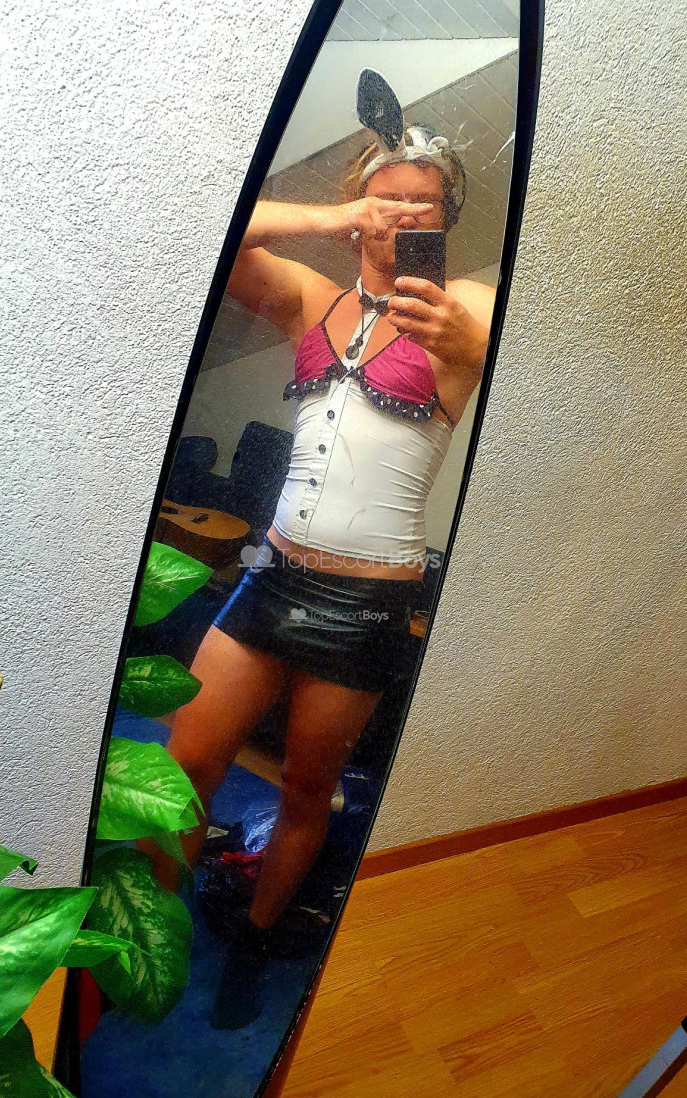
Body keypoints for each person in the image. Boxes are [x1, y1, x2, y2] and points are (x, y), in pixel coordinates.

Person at [162, 72, 495, 971]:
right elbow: (216, 230)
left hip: (366, 604)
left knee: (308, 787)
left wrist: (464, 344)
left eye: (423, 205)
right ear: (358, 211)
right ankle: (154, 933)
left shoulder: (463, 306)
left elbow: (496, 347)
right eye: (386, 202)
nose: (404, 216)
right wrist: (329, 215)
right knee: (185, 763)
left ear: (445, 219)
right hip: (271, 576)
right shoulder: (315, 301)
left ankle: (256, 935)